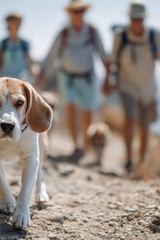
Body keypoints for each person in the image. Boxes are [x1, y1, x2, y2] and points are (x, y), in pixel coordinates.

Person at [103, 1, 160, 175]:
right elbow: (111, 60)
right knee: (130, 119)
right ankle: (128, 160)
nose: (137, 22)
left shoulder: (154, 37)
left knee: (145, 125)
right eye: (134, 18)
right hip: (127, 86)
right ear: (130, 18)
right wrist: (107, 81)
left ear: (144, 19)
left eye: (140, 19)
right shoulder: (121, 36)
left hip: (148, 89)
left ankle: (141, 160)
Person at [39, 0, 108, 155]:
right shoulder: (63, 33)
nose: (78, 14)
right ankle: (75, 145)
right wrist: (42, 73)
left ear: (85, 12)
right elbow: (51, 55)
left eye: (81, 11)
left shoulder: (92, 31)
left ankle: (85, 145)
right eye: (75, 11)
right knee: (71, 109)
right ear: (70, 13)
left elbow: (103, 55)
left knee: (87, 113)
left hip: (88, 78)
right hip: (67, 78)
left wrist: (109, 78)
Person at [0, 12, 35, 82]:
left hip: (21, 80)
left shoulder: (25, 43)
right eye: (15, 22)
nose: (18, 25)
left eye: (19, 22)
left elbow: (30, 63)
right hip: (5, 80)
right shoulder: (3, 43)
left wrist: (36, 73)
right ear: (8, 24)